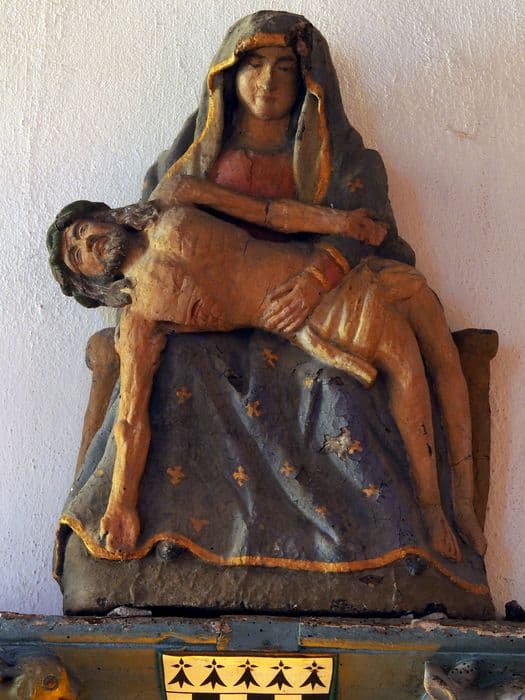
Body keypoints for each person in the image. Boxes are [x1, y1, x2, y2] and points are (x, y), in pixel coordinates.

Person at [52, 12, 490, 613]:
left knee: (364, 373)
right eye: (253, 65)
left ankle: (431, 522)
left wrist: (319, 270)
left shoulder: (344, 158)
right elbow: (132, 413)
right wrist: (122, 503)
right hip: (235, 329)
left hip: (320, 292)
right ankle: (165, 552)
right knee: (174, 376)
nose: (267, 82)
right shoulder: (180, 178)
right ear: (226, 79)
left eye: (285, 66)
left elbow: (321, 223)